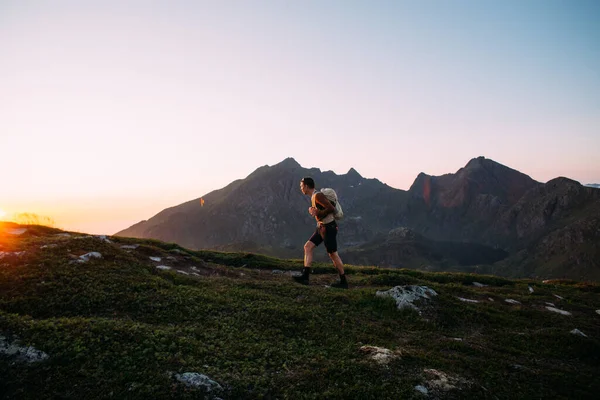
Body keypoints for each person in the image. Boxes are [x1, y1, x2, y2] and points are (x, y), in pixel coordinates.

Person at [293, 177, 348, 289]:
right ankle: (305, 276)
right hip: (321, 227)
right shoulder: (314, 197)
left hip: (328, 228)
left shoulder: (318, 196)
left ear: (307, 186)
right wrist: (316, 213)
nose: (301, 188)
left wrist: (317, 212)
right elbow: (322, 212)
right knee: (308, 247)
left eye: (301, 186)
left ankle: (343, 282)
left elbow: (331, 208)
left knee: (333, 254)